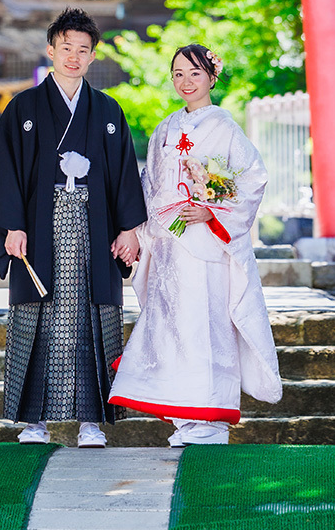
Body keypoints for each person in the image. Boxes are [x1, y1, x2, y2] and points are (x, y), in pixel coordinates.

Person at [0, 8, 146, 448]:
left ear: (93, 57)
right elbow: (6, 170)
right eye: (66, 47)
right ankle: (36, 421)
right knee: (39, 319)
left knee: (93, 319)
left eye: (82, 50)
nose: (73, 57)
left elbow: (126, 173)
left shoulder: (108, 111)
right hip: (39, 228)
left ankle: (92, 420)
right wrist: (11, 225)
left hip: (94, 228)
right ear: (50, 49)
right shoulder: (24, 109)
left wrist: (129, 229)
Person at [109, 44, 282, 446]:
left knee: (208, 325)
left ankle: (211, 418)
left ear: (211, 77)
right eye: (178, 74)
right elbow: (149, 185)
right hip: (169, 245)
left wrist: (210, 211)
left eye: (195, 74)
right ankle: (183, 417)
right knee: (171, 326)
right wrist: (139, 230)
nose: (186, 82)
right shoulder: (164, 129)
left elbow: (251, 179)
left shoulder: (225, 127)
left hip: (207, 244)